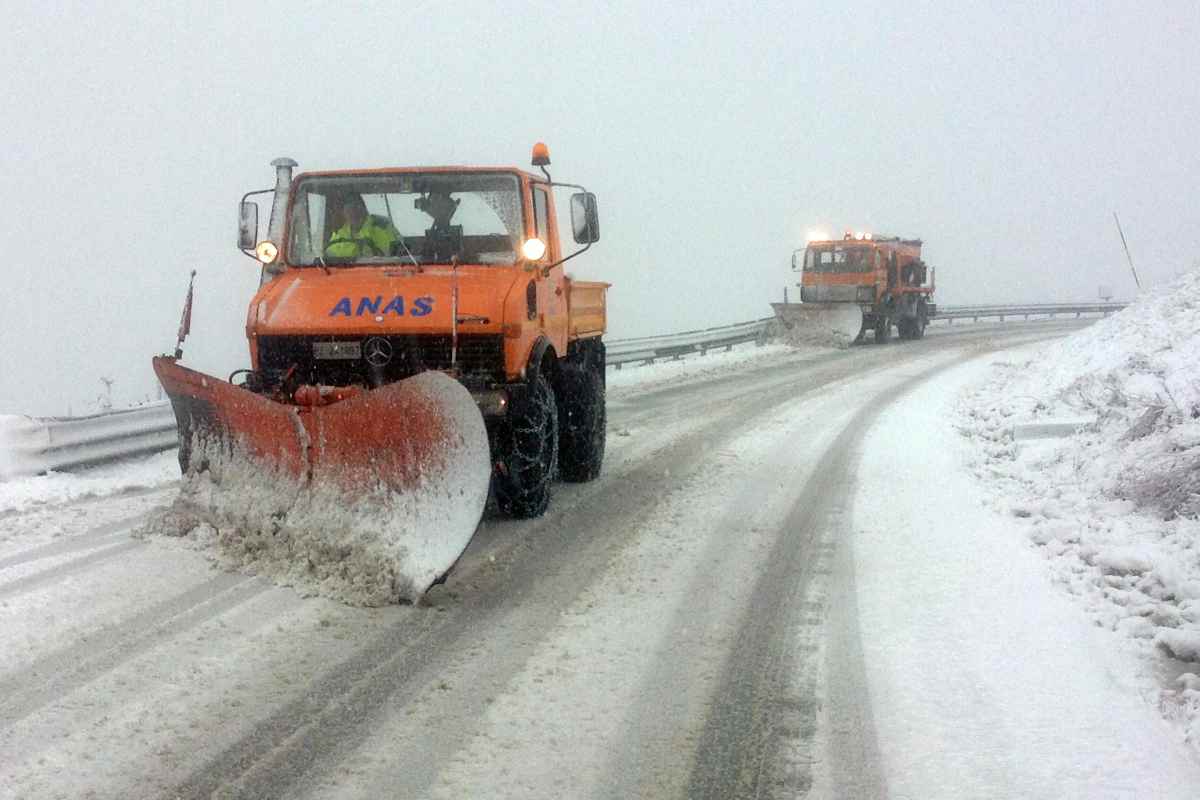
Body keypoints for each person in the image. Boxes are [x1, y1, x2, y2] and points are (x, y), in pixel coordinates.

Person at [324, 194, 397, 258]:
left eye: (356, 207)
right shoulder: (339, 234)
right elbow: (328, 258)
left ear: (364, 209)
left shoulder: (383, 227)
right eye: (349, 210)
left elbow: (397, 255)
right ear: (344, 213)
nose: (353, 213)